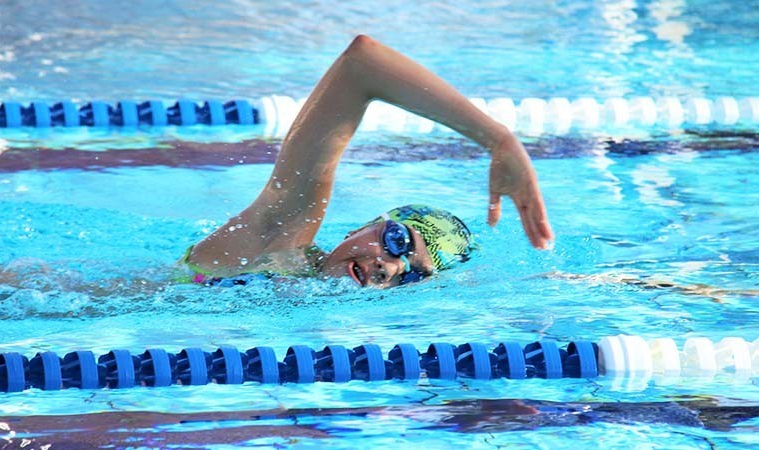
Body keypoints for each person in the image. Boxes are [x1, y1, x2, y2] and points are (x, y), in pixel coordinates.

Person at [179, 35, 553, 289]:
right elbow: (362, 63)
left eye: (413, 275)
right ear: (362, 228)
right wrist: (497, 139)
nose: (390, 265)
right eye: (396, 240)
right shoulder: (275, 238)